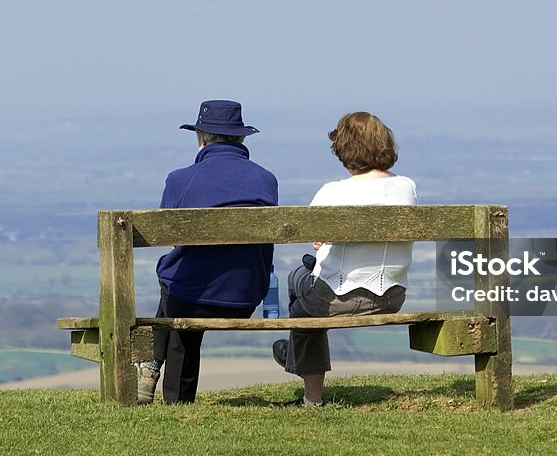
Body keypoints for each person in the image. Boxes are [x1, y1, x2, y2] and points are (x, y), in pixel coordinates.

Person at [138, 100, 278, 404]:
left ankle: (165, 386)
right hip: (245, 297)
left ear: (201, 138)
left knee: (172, 280)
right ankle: (152, 368)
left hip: (190, 300)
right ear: (241, 138)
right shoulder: (266, 180)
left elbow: (167, 236)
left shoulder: (180, 179)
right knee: (178, 284)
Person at [272, 111, 417, 406]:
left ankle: (310, 394)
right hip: (392, 295)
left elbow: (309, 233)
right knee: (301, 288)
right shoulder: (407, 187)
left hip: (341, 297)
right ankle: (296, 354)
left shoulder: (333, 191)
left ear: (344, 150)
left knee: (300, 299)